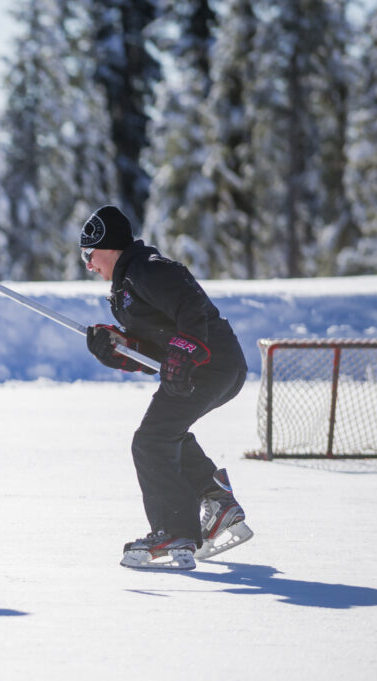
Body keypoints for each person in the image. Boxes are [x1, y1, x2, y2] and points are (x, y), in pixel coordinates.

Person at [80, 205, 253, 570]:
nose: (88, 265)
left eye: (89, 255)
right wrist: (117, 351)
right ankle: (216, 499)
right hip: (211, 368)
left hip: (212, 365)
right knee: (165, 433)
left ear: (107, 247)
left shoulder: (150, 269)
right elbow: (155, 352)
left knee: (151, 440)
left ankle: (174, 530)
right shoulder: (127, 287)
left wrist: (187, 350)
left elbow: (190, 307)